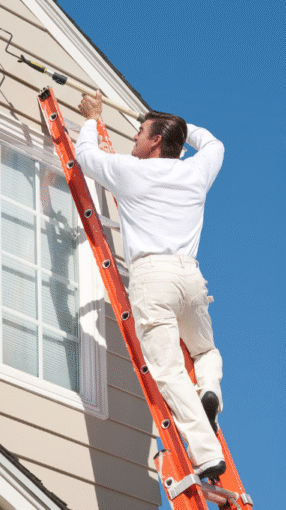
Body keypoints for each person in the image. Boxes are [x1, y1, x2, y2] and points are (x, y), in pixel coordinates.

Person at [76, 91, 227, 479]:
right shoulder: (196, 173)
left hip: (153, 277)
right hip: (190, 277)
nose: (134, 139)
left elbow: (87, 156)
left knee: (169, 371)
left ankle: (207, 454)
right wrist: (179, 125)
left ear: (156, 140)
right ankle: (209, 388)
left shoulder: (132, 171)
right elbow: (213, 143)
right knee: (205, 351)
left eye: (141, 132)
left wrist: (93, 116)